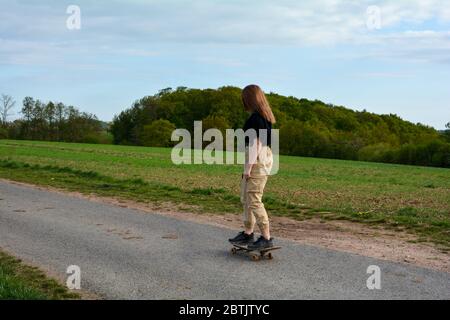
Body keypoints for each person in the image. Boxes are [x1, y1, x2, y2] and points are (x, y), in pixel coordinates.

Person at [229, 85, 276, 250]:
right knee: (248, 198)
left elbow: (256, 144)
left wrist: (247, 169)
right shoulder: (265, 117)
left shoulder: (256, 118)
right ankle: (248, 233)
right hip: (262, 157)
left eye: (244, 98)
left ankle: (266, 237)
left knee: (254, 199)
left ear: (249, 99)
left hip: (257, 159)